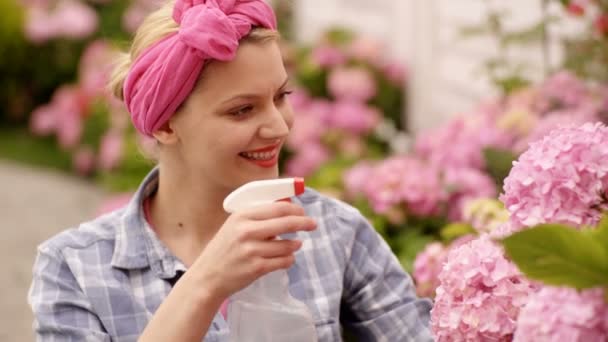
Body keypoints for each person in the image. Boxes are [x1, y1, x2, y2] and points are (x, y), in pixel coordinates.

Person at [27, 0, 433, 340]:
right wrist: (206, 283)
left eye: (281, 95)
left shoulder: (335, 233)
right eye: (242, 110)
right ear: (167, 125)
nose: (279, 126)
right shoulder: (75, 269)